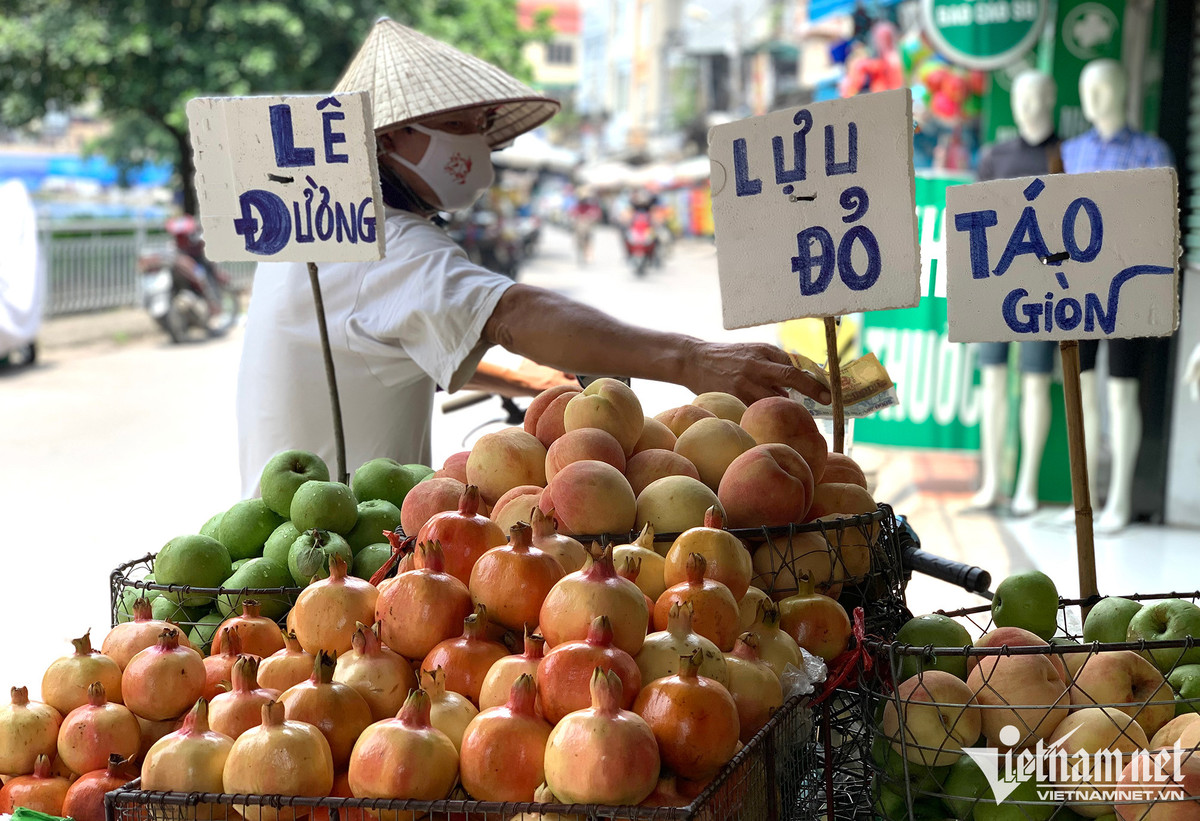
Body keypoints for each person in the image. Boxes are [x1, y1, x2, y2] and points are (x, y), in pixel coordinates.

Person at [235, 19, 830, 497]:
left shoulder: (311, 241)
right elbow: (509, 312)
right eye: (457, 123)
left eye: (482, 124)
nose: (476, 138)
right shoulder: (388, 247)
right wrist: (691, 359)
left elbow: (385, 340)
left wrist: (533, 375)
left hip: (294, 526)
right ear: (389, 137)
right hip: (339, 549)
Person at [1061, 58, 1174, 532]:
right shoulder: (1069, 152)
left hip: (1128, 286)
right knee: (1082, 392)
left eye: (1106, 86)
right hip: (1079, 289)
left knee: (1123, 392)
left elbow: (1162, 220)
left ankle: (1121, 499)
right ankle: (1084, 500)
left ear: (1124, 89)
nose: (1096, 96)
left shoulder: (1152, 150)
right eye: (1089, 87)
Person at [969, 70, 1060, 515]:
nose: (1031, 103)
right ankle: (991, 481)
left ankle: (1026, 483)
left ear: (1054, 97)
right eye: (1023, 94)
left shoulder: (1067, 154)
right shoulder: (994, 157)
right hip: (996, 283)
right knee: (992, 382)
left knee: (1036, 383)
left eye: (1040, 93)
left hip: (1048, 287)